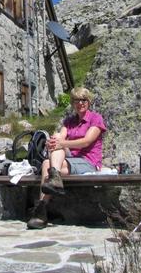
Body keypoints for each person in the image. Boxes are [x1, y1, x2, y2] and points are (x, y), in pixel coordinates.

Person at [27, 86, 107, 229]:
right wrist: (53, 141)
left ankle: (40, 212)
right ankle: (53, 183)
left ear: (88, 102)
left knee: (47, 163)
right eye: (76, 100)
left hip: (88, 161)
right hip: (70, 160)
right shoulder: (69, 121)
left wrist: (61, 143)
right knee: (52, 148)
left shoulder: (95, 119)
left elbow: (86, 142)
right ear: (73, 103)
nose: (80, 103)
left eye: (83, 100)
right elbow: (60, 138)